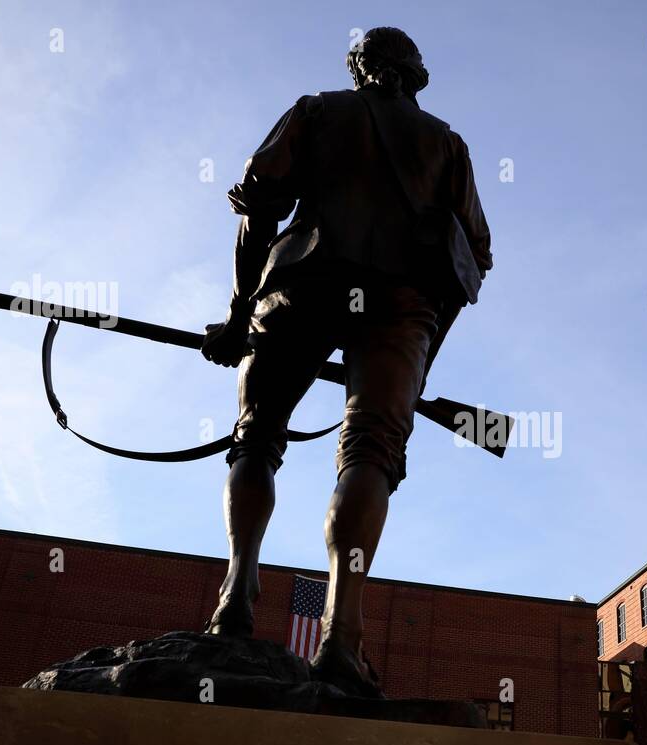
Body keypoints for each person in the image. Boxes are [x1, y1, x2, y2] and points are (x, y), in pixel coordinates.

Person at [199, 27, 492, 697]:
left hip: (304, 283)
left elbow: (257, 207)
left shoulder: (316, 111)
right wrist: (419, 361)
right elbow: (471, 263)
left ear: (360, 68)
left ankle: (234, 602)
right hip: (400, 305)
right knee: (370, 455)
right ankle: (342, 637)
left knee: (256, 437)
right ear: (414, 77)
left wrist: (242, 315)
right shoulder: (448, 146)